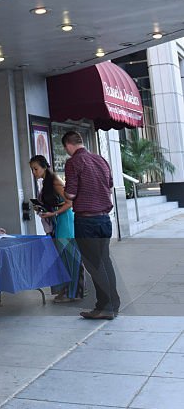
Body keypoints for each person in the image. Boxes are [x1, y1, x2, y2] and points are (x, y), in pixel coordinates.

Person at [61, 131, 120, 319]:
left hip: (86, 220)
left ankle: (104, 306)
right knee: (105, 261)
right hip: (104, 219)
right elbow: (109, 185)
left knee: (94, 265)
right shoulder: (100, 159)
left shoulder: (73, 162)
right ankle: (113, 303)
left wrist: (65, 191)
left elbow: (70, 194)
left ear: (68, 145)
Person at [29, 155, 82, 301]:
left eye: (35, 169)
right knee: (62, 257)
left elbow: (69, 202)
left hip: (64, 220)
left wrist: (53, 212)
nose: (34, 172)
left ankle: (73, 292)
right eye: (32, 169)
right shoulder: (47, 182)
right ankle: (68, 290)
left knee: (69, 256)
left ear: (44, 167)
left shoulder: (55, 181)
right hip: (58, 220)